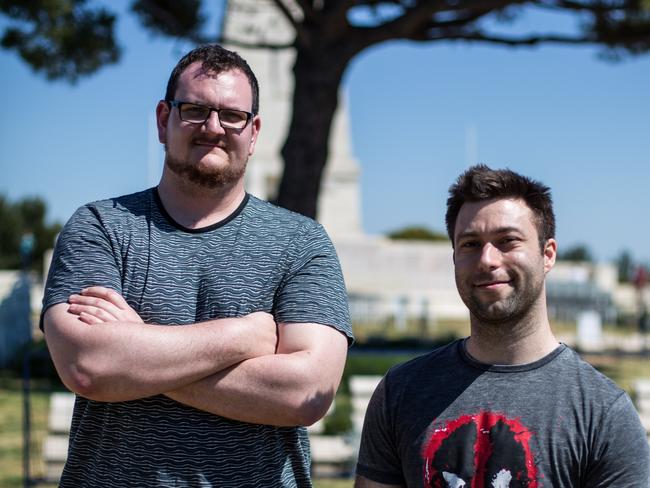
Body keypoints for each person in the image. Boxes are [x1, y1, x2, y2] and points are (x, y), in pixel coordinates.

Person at [42, 44, 353, 487]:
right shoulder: (99, 226)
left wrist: (134, 355)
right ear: (163, 120)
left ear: (254, 131)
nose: (213, 127)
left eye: (232, 115)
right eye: (195, 110)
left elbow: (305, 393)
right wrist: (242, 336)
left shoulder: (301, 242)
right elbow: (87, 366)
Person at [355, 165, 649, 487]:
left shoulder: (602, 411)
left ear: (547, 254)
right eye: (470, 244)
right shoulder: (401, 391)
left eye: (507, 240)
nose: (487, 260)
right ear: (454, 256)